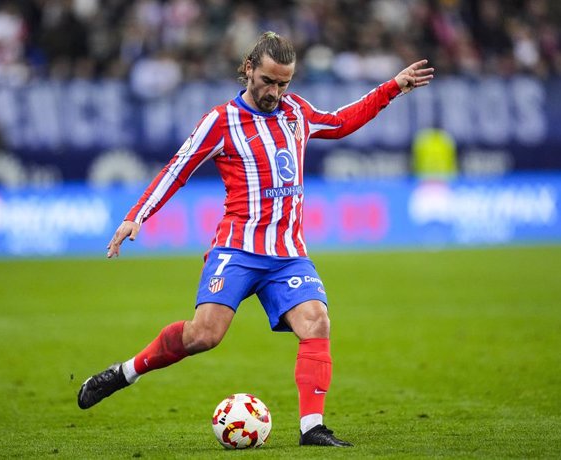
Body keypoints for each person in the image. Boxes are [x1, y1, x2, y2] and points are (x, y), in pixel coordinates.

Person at [77, 31, 434, 447]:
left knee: (317, 321)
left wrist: (393, 87)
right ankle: (125, 372)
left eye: (284, 83)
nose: (275, 91)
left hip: (287, 254)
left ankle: (311, 428)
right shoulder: (220, 122)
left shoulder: (296, 111)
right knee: (203, 336)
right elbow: (177, 170)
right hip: (237, 249)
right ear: (248, 69)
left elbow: (339, 122)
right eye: (268, 81)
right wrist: (136, 216)